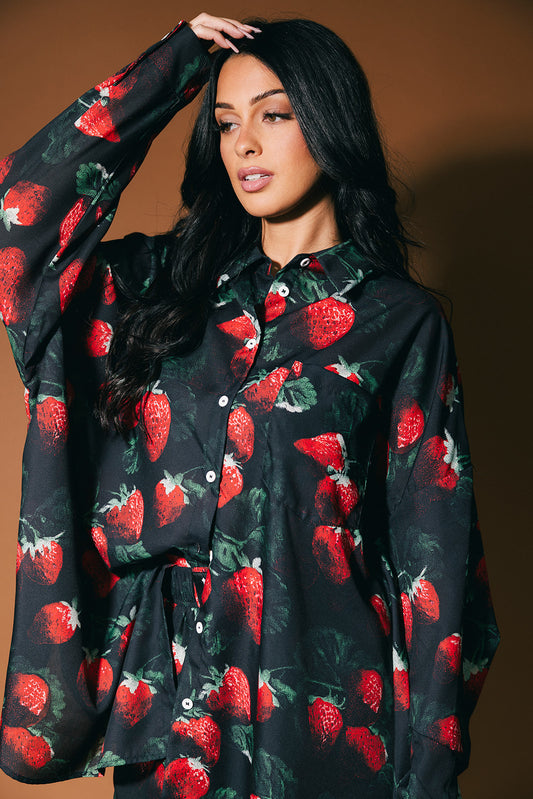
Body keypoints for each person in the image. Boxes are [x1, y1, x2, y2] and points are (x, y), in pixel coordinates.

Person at [0, 11, 499, 799]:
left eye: (273, 114)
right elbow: (18, 225)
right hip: (173, 726)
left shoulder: (398, 323)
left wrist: (428, 779)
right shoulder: (158, 293)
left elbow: (434, 567)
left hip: (326, 725)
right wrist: (174, 69)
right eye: (227, 122)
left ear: (330, 124)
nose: (244, 143)